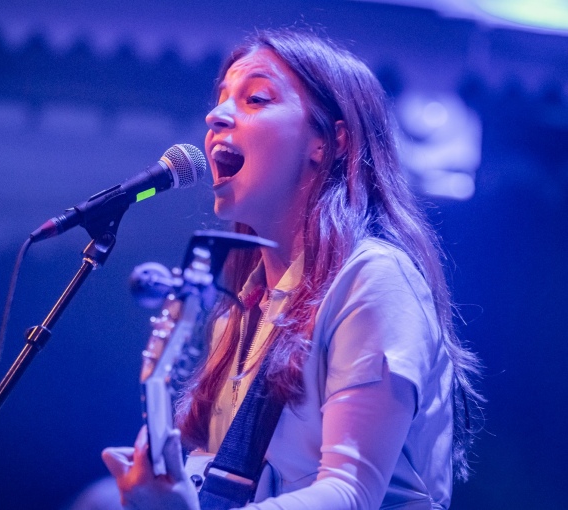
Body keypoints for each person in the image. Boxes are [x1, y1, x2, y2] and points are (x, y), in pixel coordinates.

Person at [102, 28, 482, 510]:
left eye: (255, 98)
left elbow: (351, 493)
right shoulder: (243, 306)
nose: (215, 115)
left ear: (327, 141)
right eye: (220, 99)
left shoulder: (375, 280)